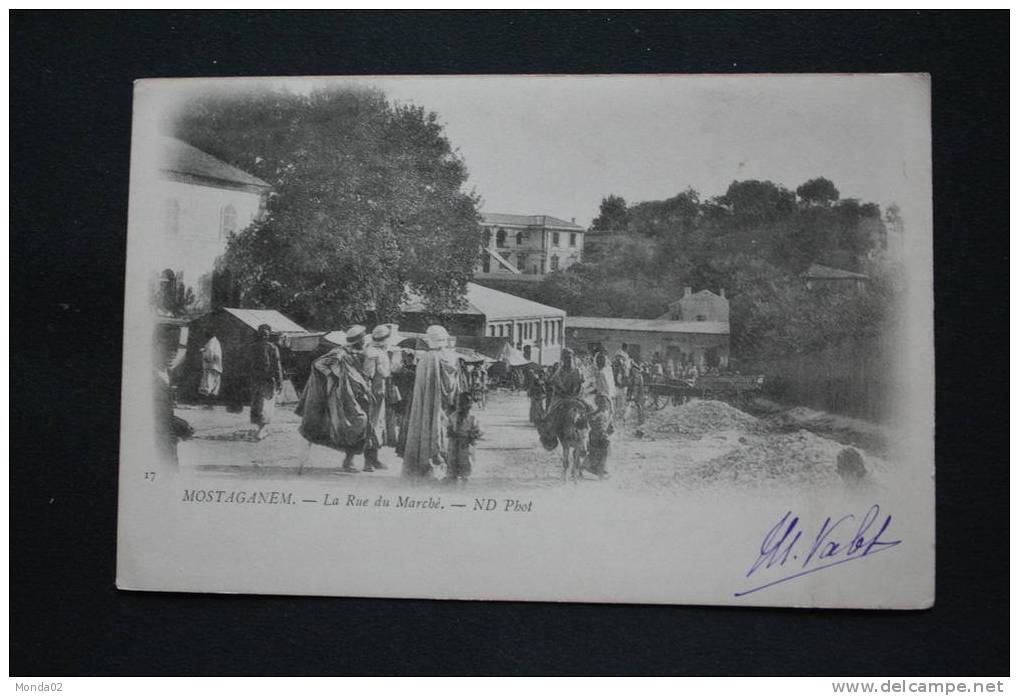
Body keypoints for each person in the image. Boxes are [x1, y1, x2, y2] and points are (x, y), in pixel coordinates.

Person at [296, 325, 372, 474]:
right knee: (355, 422)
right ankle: (348, 461)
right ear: (356, 341)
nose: (364, 342)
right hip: (341, 396)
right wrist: (335, 376)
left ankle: (349, 460)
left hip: (356, 394)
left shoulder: (357, 352)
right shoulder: (339, 353)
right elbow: (318, 364)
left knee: (359, 423)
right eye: (362, 339)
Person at [402, 325, 461, 479]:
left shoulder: (425, 359)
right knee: (444, 429)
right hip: (445, 404)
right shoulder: (452, 358)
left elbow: (420, 388)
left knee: (427, 426)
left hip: (426, 405)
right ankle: (442, 464)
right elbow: (455, 386)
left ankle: (426, 464)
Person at [361, 325, 393, 472]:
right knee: (370, 426)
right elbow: (367, 375)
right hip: (372, 393)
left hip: (380, 393)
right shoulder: (371, 353)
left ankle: (375, 459)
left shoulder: (381, 351)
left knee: (378, 425)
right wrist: (368, 394)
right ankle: (368, 461)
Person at [248, 324, 283, 441]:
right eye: (263, 334)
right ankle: (261, 430)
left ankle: (261, 428)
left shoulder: (253, 347)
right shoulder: (272, 348)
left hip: (258, 380)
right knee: (264, 405)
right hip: (265, 380)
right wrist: (280, 382)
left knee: (259, 404)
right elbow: (277, 366)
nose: (264, 336)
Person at [446, 392, 482, 486]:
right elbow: (449, 428)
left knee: (466, 466)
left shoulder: (473, 418)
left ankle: (464, 486)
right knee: (452, 464)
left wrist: (472, 436)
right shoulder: (453, 416)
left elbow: (478, 431)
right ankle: (452, 484)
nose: (463, 406)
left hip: (466, 445)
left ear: (470, 405)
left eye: (466, 403)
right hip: (454, 444)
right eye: (460, 404)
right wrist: (451, 432)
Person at [584, 394, 614, 479]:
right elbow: (591, 422)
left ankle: (597, 469)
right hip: (596, 436)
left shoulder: (606, 413)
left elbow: (609, 427)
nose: (604, 405)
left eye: (605, 403)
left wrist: (610, 429)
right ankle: (598, 472)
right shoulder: (595, 414)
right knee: (598, 454)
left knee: (602, 454)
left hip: (603, 436)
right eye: (602, 403)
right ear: (598, 404)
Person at [198, 335, 223, 408]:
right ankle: (210, 404)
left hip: (211, 367)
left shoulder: (212, 341)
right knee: (213, 385)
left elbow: (211, 353)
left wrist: (207, 358)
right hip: (215, 367)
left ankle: (208, 403)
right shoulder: (215, 341)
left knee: (208, 384)